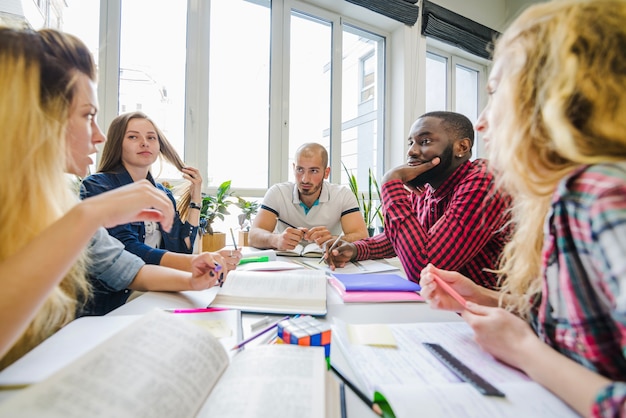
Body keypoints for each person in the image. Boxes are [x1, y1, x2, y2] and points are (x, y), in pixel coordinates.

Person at [419, 1, 626, 416]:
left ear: (553, 98)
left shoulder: (600, 195)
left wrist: (522, 350)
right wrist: (487, 299)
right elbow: (574, 330)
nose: (480, 122)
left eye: (494, 92)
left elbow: (424, 256)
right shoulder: (559, 202)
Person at [0, 27, 230, 369]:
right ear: (37, 118)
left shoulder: (58, 201)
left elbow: (128, 266)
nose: (98, 134)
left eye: (151, 137)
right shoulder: (92, 194)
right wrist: (87, 216)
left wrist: (191, 278)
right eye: (87, 115)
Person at [326, 111, 511, 288]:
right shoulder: (429, 190)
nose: (412, 152)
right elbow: (402, 240)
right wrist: (355, 249)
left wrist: (391, 183)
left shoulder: (483, 181)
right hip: (454, 307)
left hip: (499, 313)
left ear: (461, 147)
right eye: (410, 143)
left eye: (425, 141)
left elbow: (424, 270)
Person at [80, 111, 233, 271]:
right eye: (133, 137)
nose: (145, 143)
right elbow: (126, 248)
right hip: (124, 292)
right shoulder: (98, 186)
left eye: (151, 137)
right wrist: (194, 262)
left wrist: (195, 199)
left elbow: (181, 248)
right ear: (117, 144)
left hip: (159, 287)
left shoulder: (162, 193)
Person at [249, 142, 368, 251]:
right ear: (293, 168)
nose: (305, 179)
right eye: (300, 169)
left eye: (314, 171)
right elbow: (253, 235)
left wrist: (334, 239)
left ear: (326, 173)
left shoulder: (343, 195)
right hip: (285, 261)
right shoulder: (277, 192)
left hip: (327, 262)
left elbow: (362, 236)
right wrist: (276, 240)